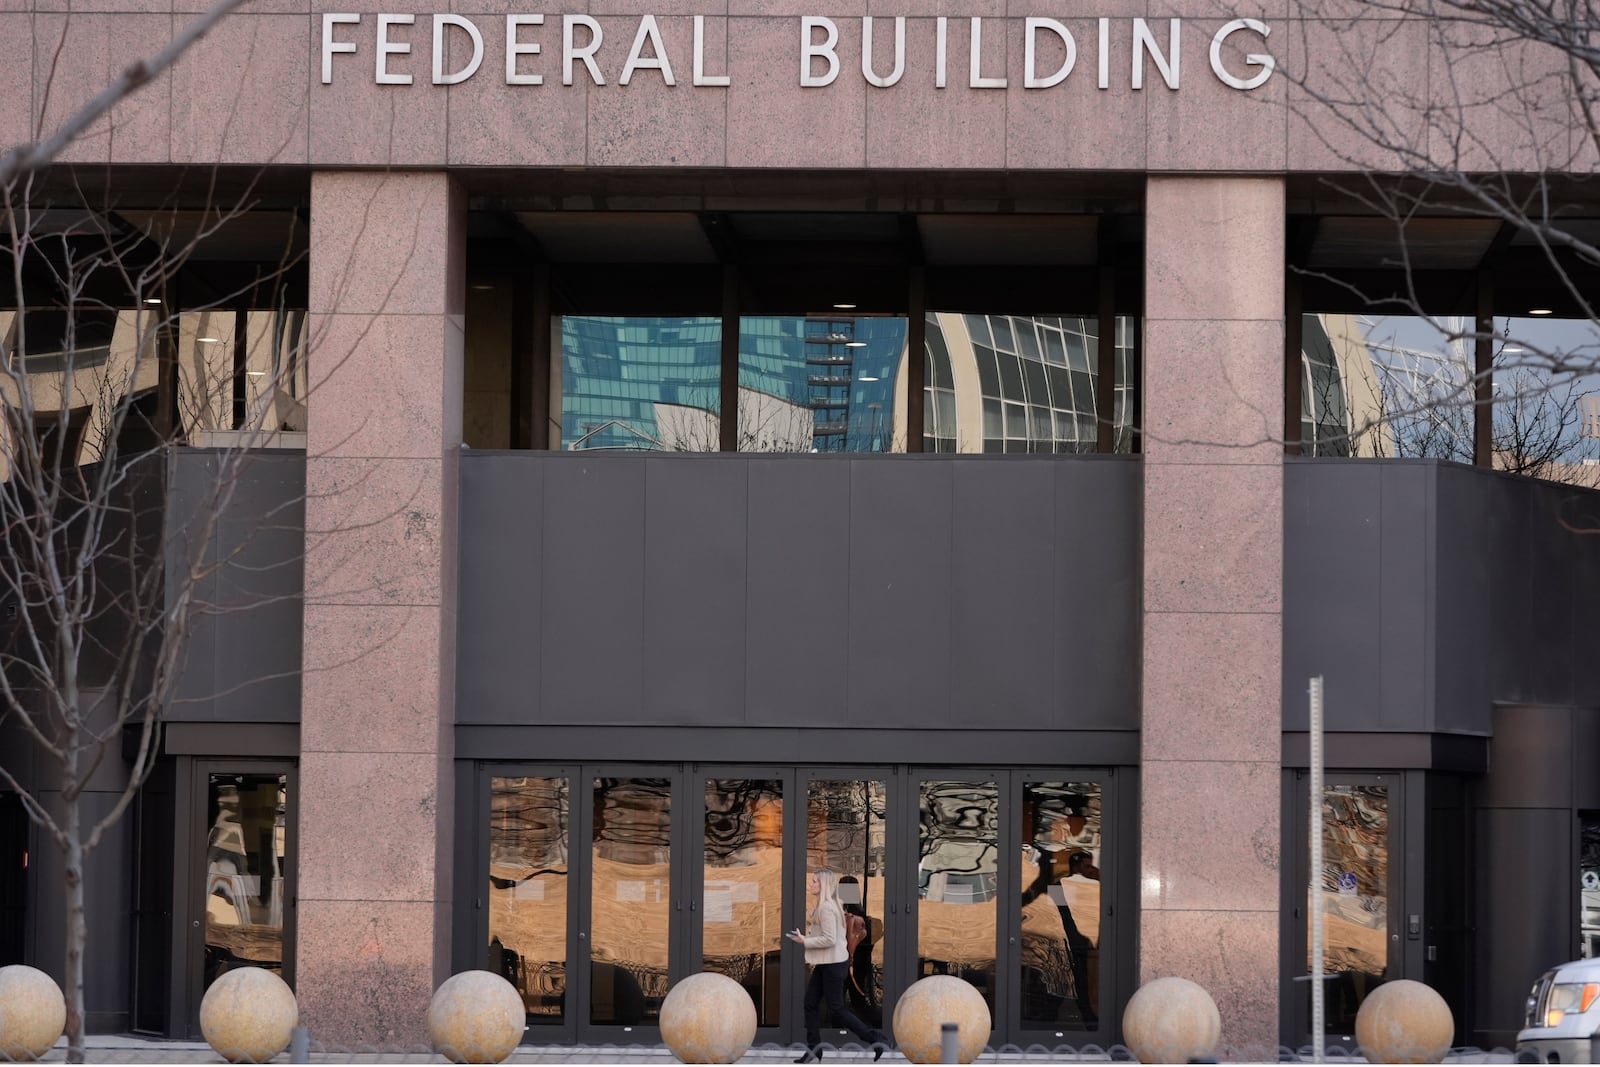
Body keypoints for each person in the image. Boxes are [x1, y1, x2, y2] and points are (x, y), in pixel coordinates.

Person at [787, 867, 891, 1062]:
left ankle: (875, 1039)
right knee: (810, 1003)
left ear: (824, 885)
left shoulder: (827, 907)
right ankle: (814, 1048)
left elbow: (829, 939)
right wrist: (813, 921)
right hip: (829, 962)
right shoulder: (830, 905)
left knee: (836, 1008)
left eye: (815, 881)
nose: (811, 884)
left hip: (833, 964)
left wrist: (804, 940)